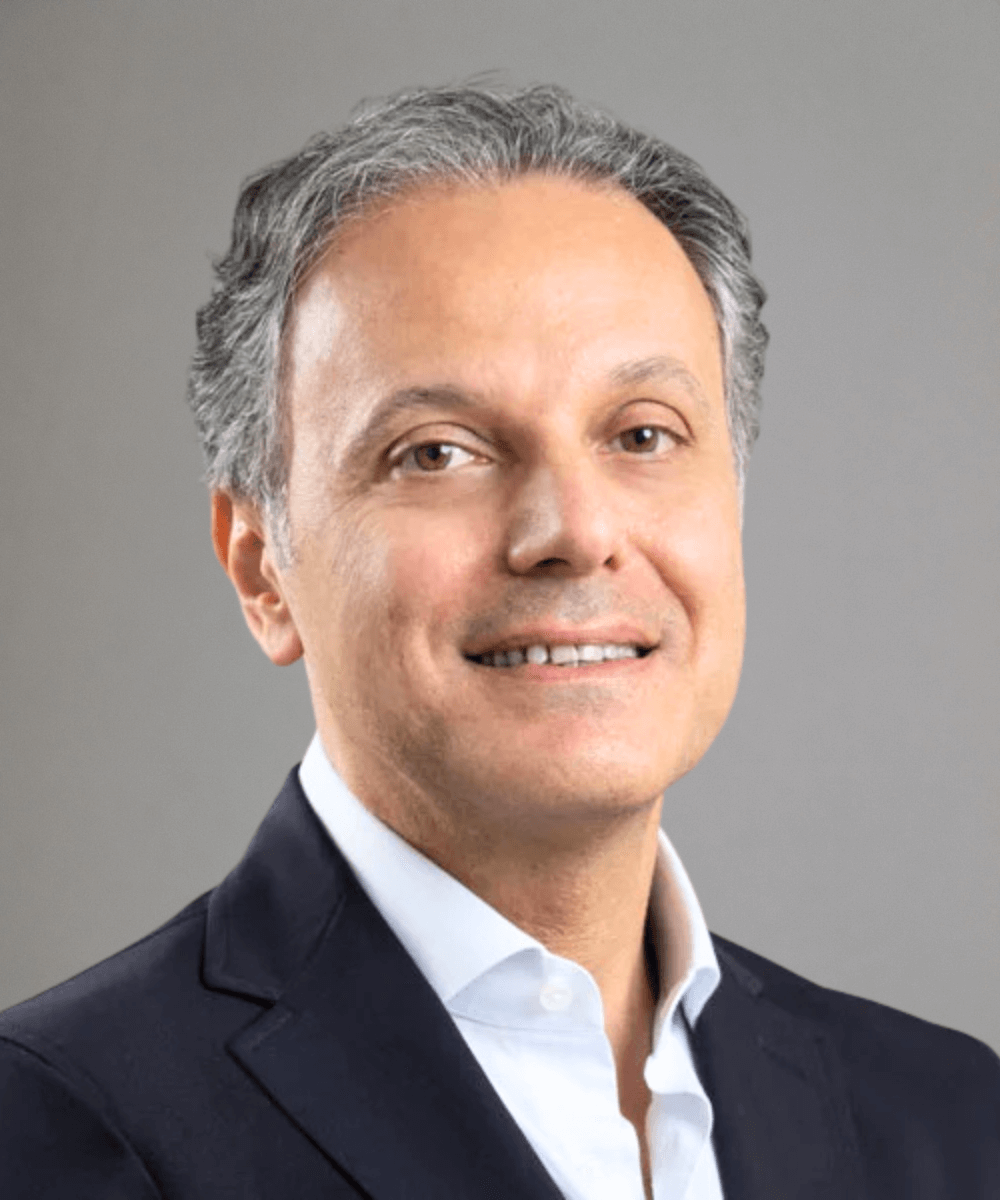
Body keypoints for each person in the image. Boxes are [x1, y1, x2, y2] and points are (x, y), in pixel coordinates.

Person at [0, 83, 996, 1200]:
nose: (574, 530)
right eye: (437, 452)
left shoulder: (948, 1121)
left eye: (643, 435)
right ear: (261, 567)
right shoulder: (53, 1127)